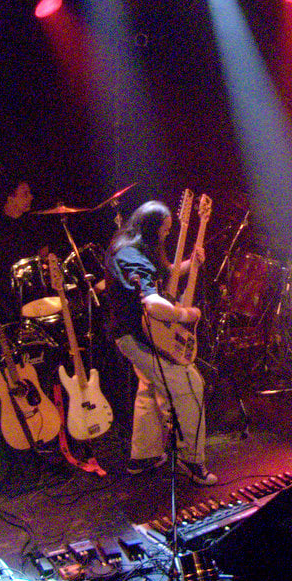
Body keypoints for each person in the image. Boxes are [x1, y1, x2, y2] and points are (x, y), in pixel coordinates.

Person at [104, 200, 217, 485]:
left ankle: (145, 456)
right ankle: (192, 460)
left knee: (148, 388)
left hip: (137, 335)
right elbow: (153, 303)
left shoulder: (135, 247)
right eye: (165, 230)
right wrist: (184, 313)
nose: (167, 235)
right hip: (138, 336)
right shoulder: (128, 254)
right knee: (190, 385)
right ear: (152, 228)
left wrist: (191, 263)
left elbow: (161, 275)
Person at [0, 176, 47, 320]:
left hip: (34, 289)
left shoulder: (33, 222)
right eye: (25, 194)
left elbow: (43, 252)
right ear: (10, 198)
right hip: (5, 294)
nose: (31, 197)